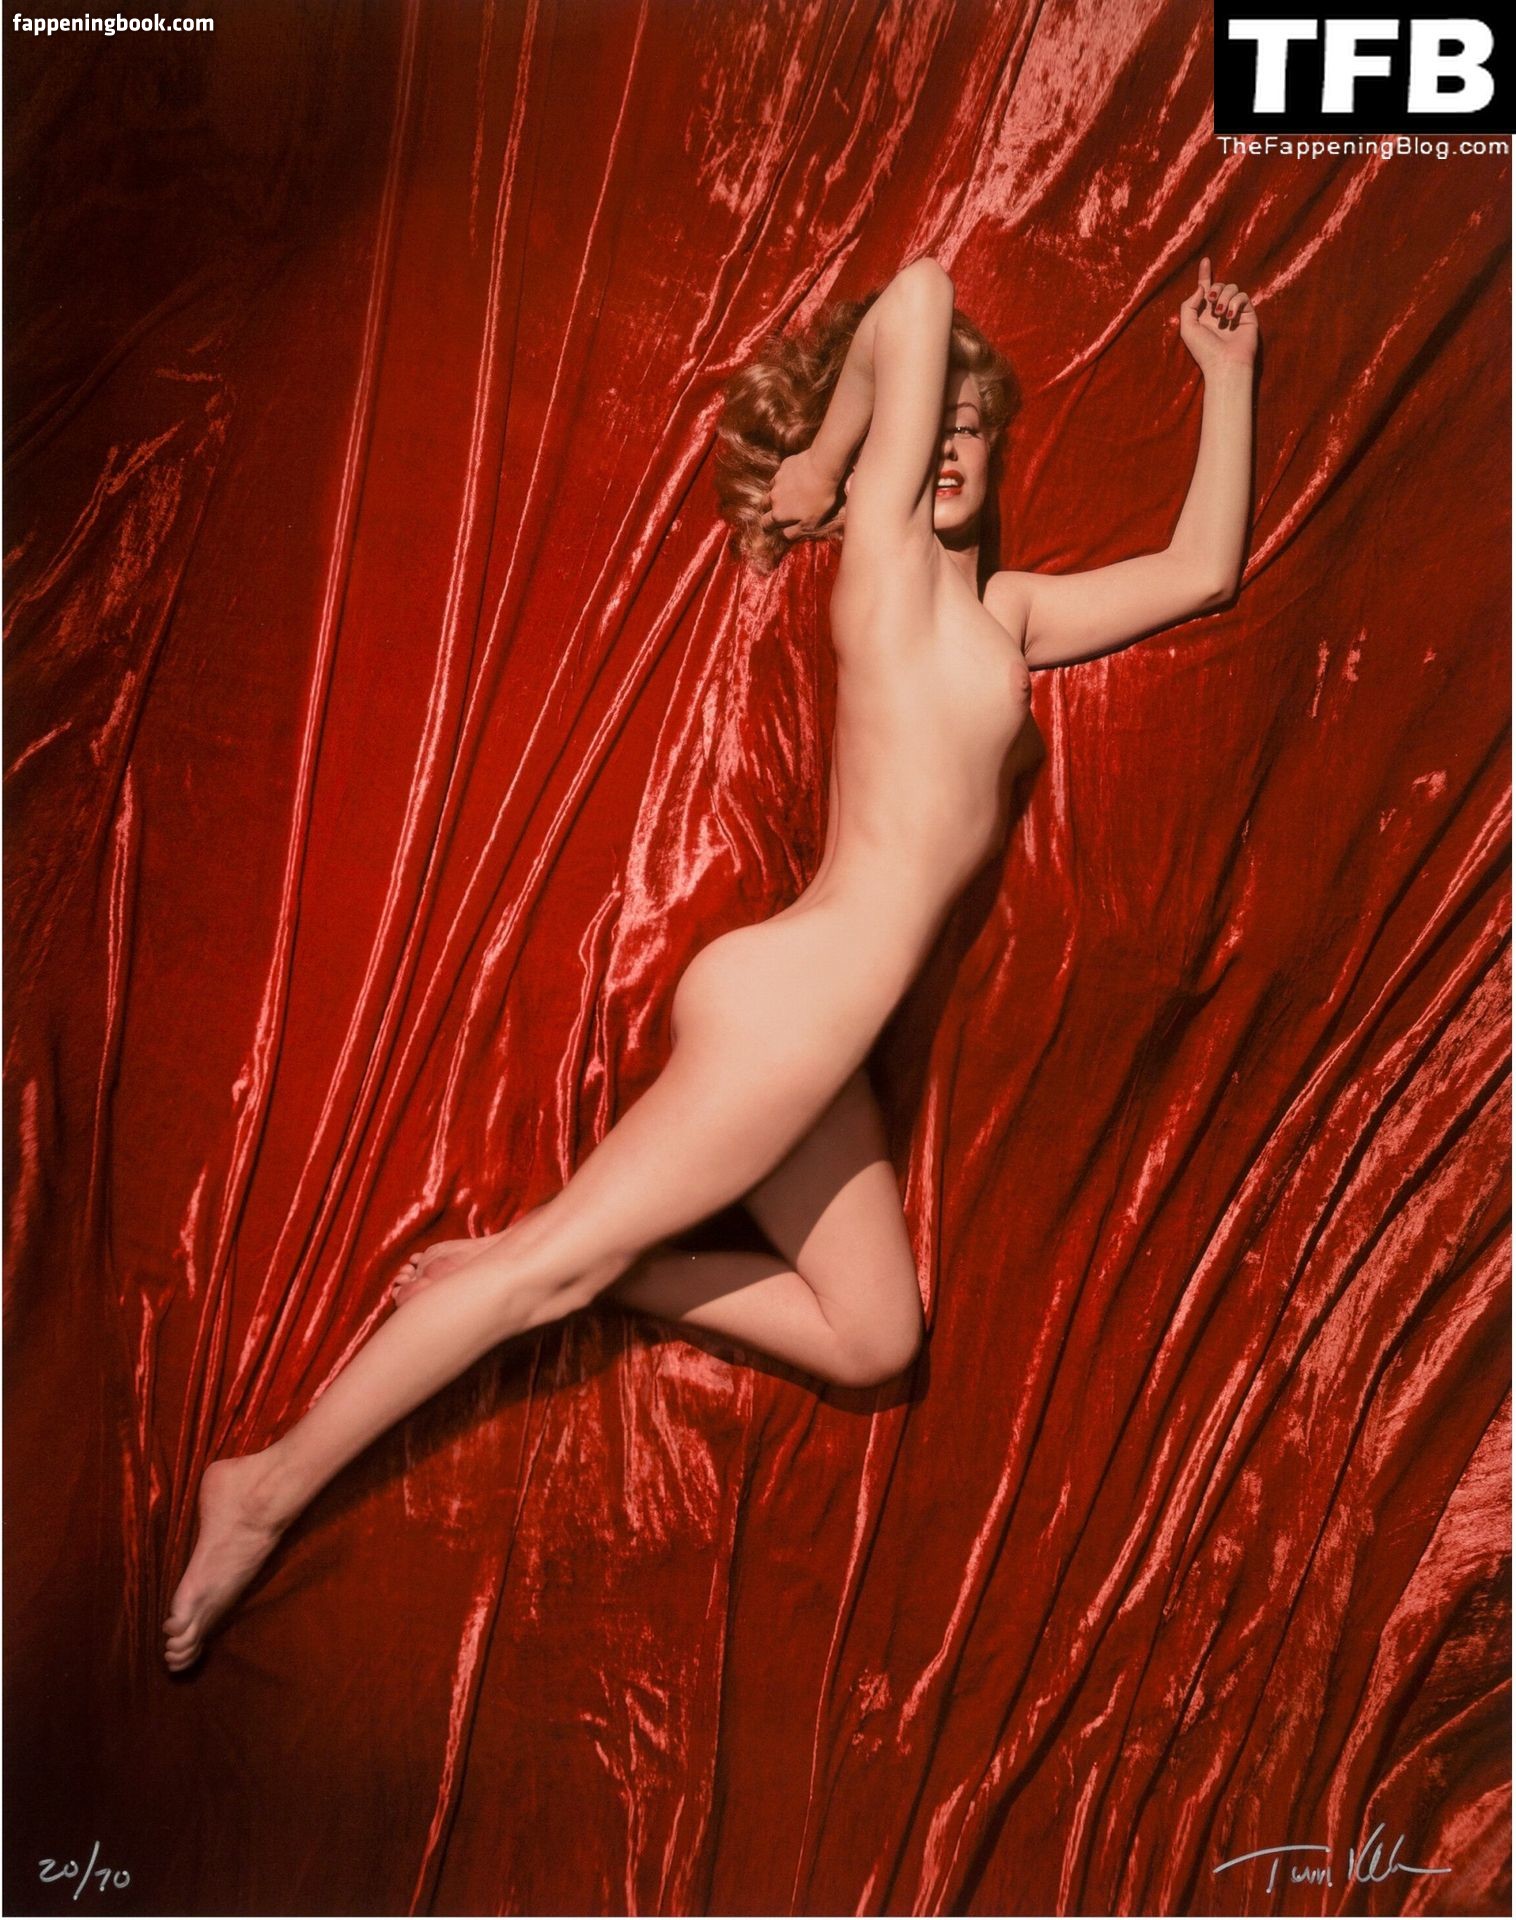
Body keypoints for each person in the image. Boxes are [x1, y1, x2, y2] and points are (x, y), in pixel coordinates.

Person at [162, 254, 1257, 1671]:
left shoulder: (1010, 619)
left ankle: (594, 1262)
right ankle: (264, 1486)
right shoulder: (883, 564)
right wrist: (826, 460)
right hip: (793, 1004)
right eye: (923, 431)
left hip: (816, 1036)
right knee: (541, 1281)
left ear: (996, 450)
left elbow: (1199, 573)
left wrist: (1226, 376)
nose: (943, 453)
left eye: (969, 430)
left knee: (875, 1339)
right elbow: (919, 292)